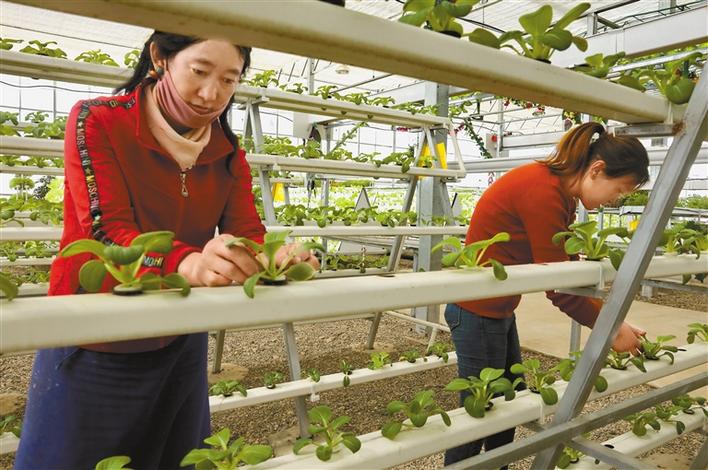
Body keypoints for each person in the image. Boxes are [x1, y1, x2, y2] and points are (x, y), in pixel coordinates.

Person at [15, 32, 317, 469]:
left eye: (229, 79)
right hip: (95, 337)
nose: (212, 94)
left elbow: (246, 232)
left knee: (178, 457)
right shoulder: (97, 120)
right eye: (199, 71)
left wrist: (274, 258)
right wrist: (187, 263)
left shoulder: (226, 151)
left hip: (180, 332)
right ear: (160, 57)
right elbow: (107, 231)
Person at [444, 122, 649, 467]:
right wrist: (611, 330)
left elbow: (566, 268)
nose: (616, 200)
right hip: (475, 312)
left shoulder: (560, 192)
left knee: (508, 405)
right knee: (479, 415)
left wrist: (617, 321)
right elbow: (559, 287)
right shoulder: (543, 191)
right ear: (597, 170)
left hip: (496, 310)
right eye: (620, 190)